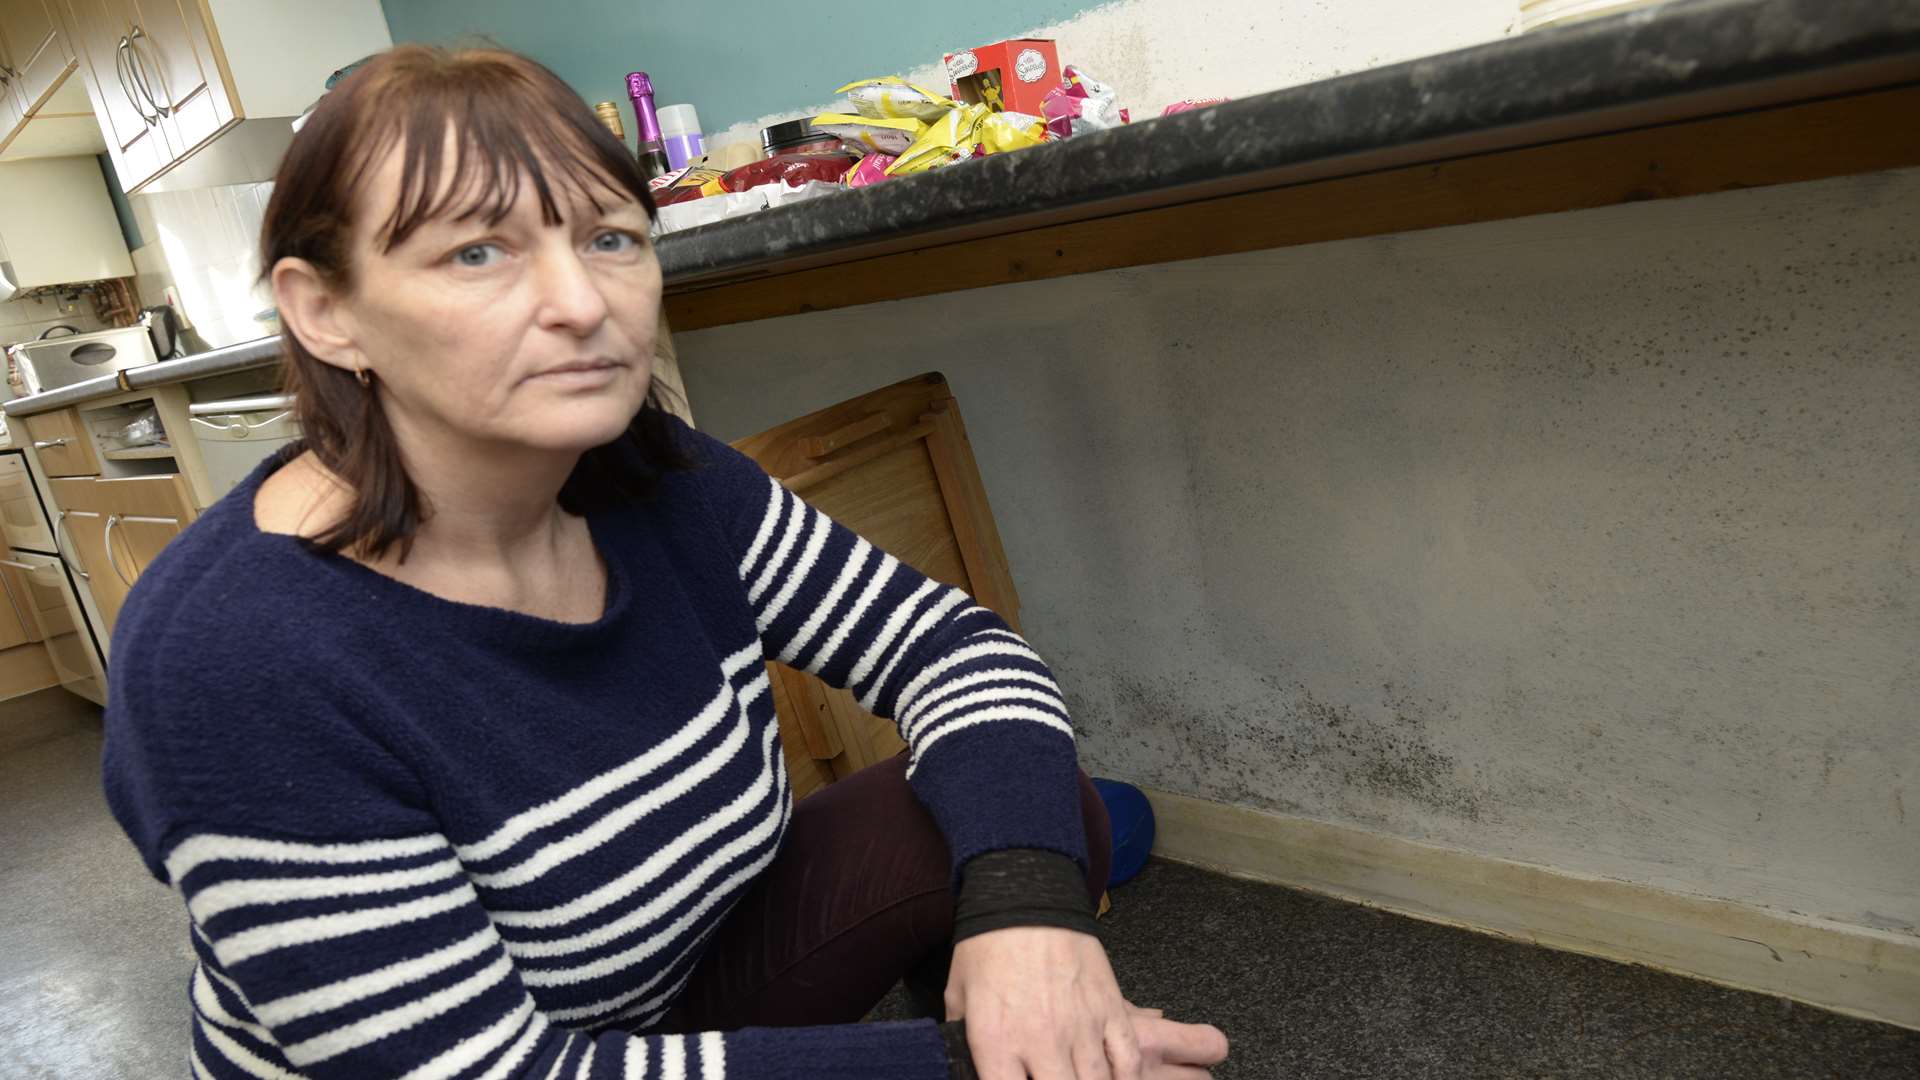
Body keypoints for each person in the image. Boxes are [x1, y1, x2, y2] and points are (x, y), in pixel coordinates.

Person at [101, 45, 1228, 1080]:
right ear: (325, 312)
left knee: (1031, 814)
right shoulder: (232, 661)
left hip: (664, 1000)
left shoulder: (655, 479)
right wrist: (957, 1068)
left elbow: (953, 648)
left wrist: (1027, 917)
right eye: (477, 251)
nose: (583, 305)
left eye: (609, 237)